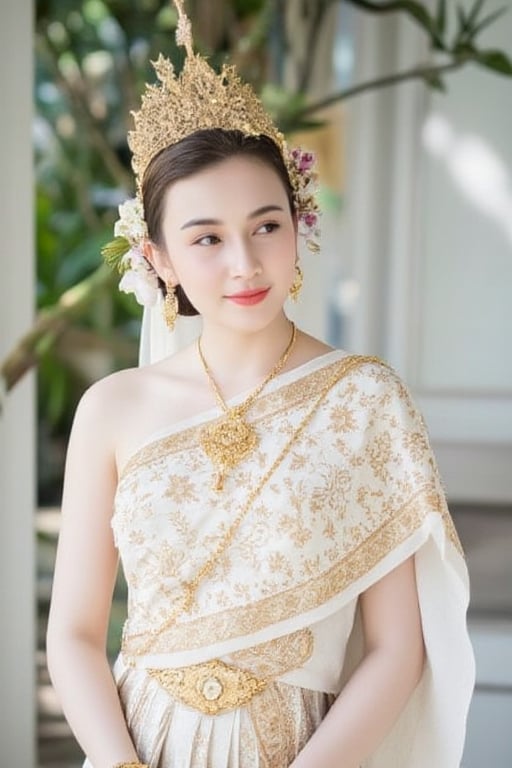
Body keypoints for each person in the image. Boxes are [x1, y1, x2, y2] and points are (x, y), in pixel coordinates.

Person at [46, 2, 475, 767]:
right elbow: (75, 636)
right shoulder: (111, 408)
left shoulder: (364, 400)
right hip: (136, 745)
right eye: (206, 238)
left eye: (266, 225)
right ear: (160, 259)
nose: (244, 262)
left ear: (297, 224)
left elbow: (397, 650)